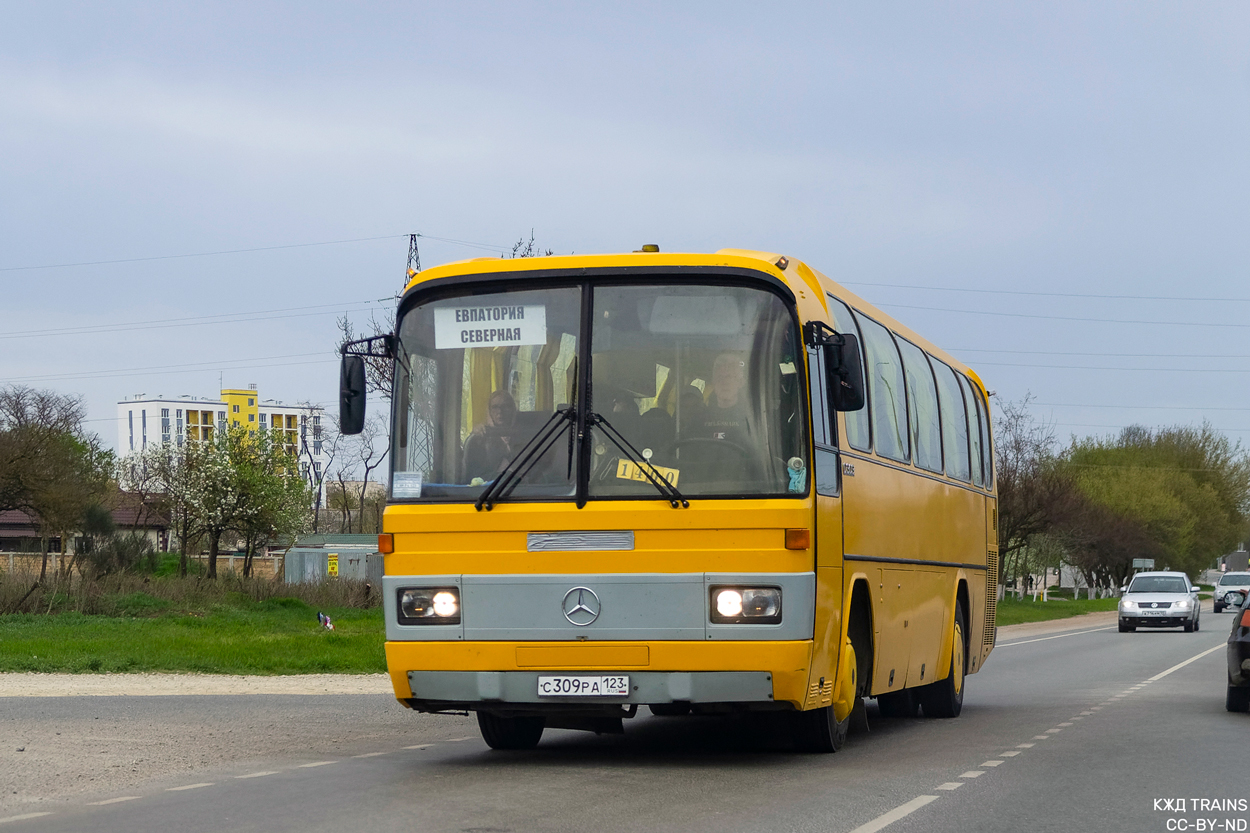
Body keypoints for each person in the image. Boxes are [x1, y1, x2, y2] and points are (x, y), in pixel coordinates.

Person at [463, 390, 519, 482]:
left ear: (512, 409)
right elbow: (474, 479)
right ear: (489, 411)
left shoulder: (526, 436)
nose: (500, 411)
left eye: (505, 406)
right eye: (495, 407)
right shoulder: (480, 440)